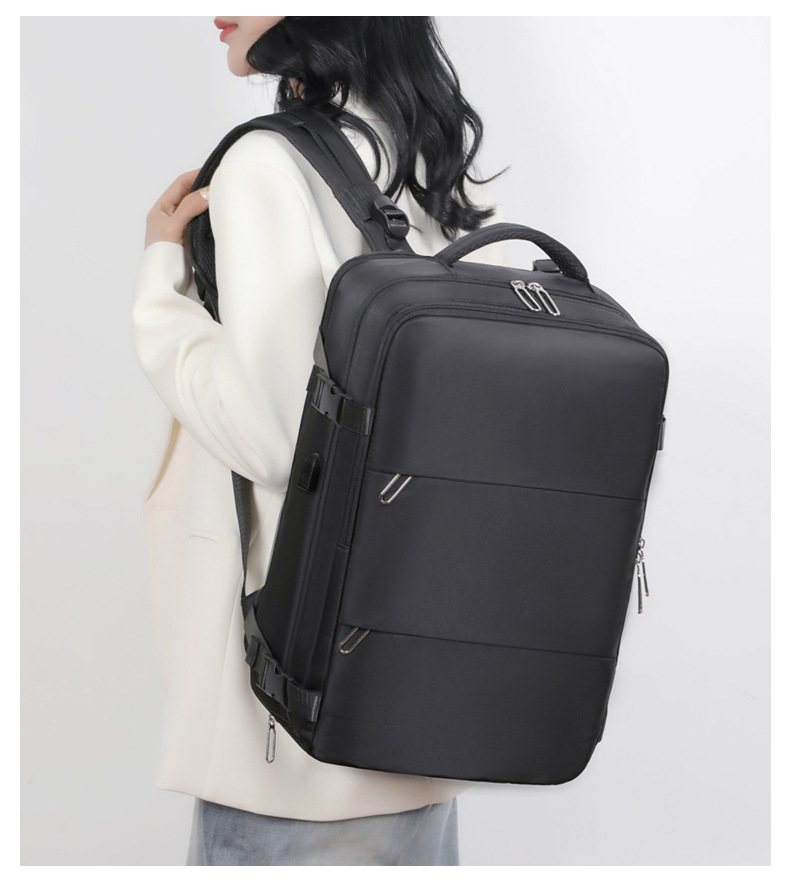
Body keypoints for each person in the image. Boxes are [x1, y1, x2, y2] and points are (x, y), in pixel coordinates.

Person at [131, 16, 509, 866]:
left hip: (293, 734)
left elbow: (272, 439)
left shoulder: (268, 164)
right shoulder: (415, 159)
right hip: (414, 709)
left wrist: (162, 286)